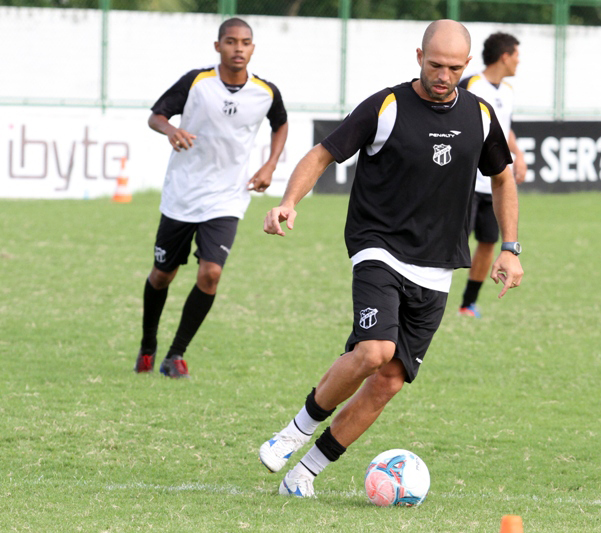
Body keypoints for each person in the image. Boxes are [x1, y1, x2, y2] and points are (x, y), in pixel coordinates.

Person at [259, 19, 523, 497]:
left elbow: (503, 177)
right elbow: (322, 153)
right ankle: (292, 433)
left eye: (454, 68)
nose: (444, 76)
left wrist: (510, 247)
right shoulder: (388, 105)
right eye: (435, 64)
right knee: (374, 351)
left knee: (389, 382)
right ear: (418, 55)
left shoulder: (480, 115)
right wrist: (289, 201)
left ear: (466, 67)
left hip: (438, 265)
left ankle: (304, 474)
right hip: (377, 246)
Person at [134, 17, 289, 378]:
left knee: (211, 274)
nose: (239, 48)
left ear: (253, 48)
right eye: (231, 42)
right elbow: (156, 116)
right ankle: (147, 345)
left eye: (246, 42)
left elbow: (280, 123)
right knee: (162, 275)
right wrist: (171, 129)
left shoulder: (265, 91)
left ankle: (175, 356)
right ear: (217, 46)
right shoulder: (196, 82)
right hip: (182, 195)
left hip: (227, 199)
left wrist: (269, 165)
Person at [458, 32, 527, 318]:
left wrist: (518, 154)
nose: (519, 61)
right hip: (466, 183)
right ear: (505, 56)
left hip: (495, 186)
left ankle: (467, 304)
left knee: (487, 243)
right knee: (451, 243)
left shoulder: (507, 91)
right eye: (517, 55)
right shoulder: (472, 85)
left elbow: (503, 128)